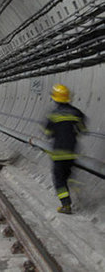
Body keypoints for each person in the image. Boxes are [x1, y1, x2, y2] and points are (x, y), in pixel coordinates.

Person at [43, 84, 86, 214]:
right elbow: (83, 130)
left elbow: (47, 133)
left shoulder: (52, 115)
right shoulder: (76, 112)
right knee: (67, 174)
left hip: (58, 153)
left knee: (59, 180)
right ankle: (76, 189)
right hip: (71, 152)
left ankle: (66, 205)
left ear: (55, 99)